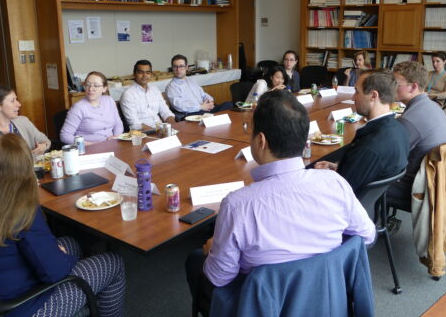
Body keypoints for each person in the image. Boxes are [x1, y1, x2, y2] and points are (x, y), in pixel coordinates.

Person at [185, 90, 376, 314]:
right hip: (328, 299)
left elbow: (219, 277)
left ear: (261, 140)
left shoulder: (238, 205)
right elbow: (366, 236)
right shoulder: (334, 182)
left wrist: (211, 251)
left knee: (196, 260)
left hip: (262, 305)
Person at [0, 134, 126, 317]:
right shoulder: (21, 209)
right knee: (112, 262)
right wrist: (64, 258)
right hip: (22, 307)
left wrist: (61, 253)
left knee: (70, 242)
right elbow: (55, 273)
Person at [313, 70, 409, 192]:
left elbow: (340, 191)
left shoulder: (369, 147)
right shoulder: (399, 129)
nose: (353, 97)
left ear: (373, 96)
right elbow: (368, 170)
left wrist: (319, 177)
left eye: (357, 91)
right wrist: (339, 167)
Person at [387, 61, 446, 202]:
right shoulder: (433, 106)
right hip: (431, 180)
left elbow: (387, 157)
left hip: (413, 186)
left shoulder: (410, 120)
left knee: (357, 178)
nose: (391, 88)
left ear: (413, 87)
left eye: (396, 84)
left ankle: (373, 221)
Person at [60, 71, 124, 145]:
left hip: (112, 145)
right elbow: (65, 136)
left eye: (96, 86)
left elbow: (118, 123)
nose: (90, 89)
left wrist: (115, 137)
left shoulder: (109, 100)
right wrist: (91, 145)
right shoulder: (78, 108)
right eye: (87, 85)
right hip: (89, 149)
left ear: (104, 88)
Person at [165, 54, 232, 119]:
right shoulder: (171, 87)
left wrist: (210, 101)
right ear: (172, 68)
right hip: (192, 113)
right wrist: (200, 107)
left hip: (204, 108)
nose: (178, 69)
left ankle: (214, 119)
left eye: (181, 66)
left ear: (187, 67)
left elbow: (202, 94)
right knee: (214, 116)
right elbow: (180, 106)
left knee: (229, 104)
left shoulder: (191, 80)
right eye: (175, 66)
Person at [119, 59, 175, 130]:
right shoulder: (128, 95)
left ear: (151, 74)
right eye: (140, 72)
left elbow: (166, 112)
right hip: (143, 134)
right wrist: (155, 132)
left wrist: (173, 126)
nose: (144, 75)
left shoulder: (155, 90)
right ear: (134, 74)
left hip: (161, 130)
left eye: (147, 72)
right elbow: (135, 124)